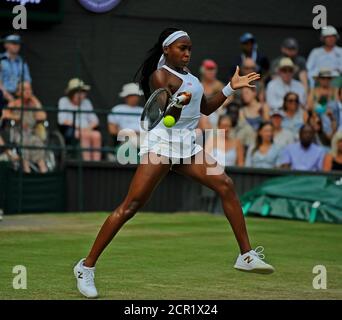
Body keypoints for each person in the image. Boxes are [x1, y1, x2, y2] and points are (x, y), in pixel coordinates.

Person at [73, 28, 274, 299]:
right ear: (167, 49)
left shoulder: (192, 78)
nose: (187, 53)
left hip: (187, 145)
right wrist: (177, 103)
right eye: (182, 48)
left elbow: (205, 108)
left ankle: (246, 256)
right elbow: (166, 115)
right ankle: (86, 267)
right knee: (131, 206)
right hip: (162, 144)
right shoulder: (161, 75)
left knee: (225, 184)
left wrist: (229, 88)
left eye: (189, 48)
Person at [4, 82, 47, 173]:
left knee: (38, 142)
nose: (28, 91)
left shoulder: (33, 103)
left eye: (29, 89)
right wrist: (16, 117)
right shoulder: (14, 103)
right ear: (19, 92)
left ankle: (43, 170)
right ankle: (26, 170)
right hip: (18, 132)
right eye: (25, 89)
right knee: (24, 142)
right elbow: (5, 114)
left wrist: (34, 100)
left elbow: (42, 116)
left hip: (32, 133)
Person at [58, 78, 102, 161]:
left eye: (83, 92)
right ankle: (87, 163)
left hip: (87, 129)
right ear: (72, 93)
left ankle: (96, 163)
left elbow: (95, 120)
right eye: (79, 92)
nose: (82, 95)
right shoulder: (63, 101)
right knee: (84, 135)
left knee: (97, 135)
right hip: (71, 130)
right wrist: (79, 128)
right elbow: (62, 120)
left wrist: (88, 128)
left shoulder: (87, 102)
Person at [107, 83, 143, 156]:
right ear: (126, 97)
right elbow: (112, 130)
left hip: (142, 138)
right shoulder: (117, 109)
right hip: (124, 139)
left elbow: (146, 129)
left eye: (136, 95)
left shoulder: (143, 110)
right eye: (132, 95)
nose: (135, 98)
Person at [197, 59, 229, 130]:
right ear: (203, 71)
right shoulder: (198, 85)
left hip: (216, 113)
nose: (211, 72)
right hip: (201, 115)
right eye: (209, 69)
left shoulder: (219, 85)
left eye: (213, 69)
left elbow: (228, 100)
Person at [307, 68, 338, 140]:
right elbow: (309, 107)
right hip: (318, 123)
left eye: (328, 78)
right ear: (319, 79)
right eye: (323, 78)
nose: (326, 80)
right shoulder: (313, 91)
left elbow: (337, 106)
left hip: (333, 121)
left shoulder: (335, 90)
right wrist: (320, 101)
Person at [0, 34, 31, 102]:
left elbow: (27, 81)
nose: (16, 46)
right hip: (3, 95)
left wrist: (23, 94)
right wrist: (8, 97)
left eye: (18, 44)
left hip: (18, 96)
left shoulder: (22, 61)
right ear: (6, 45)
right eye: (13, 43)